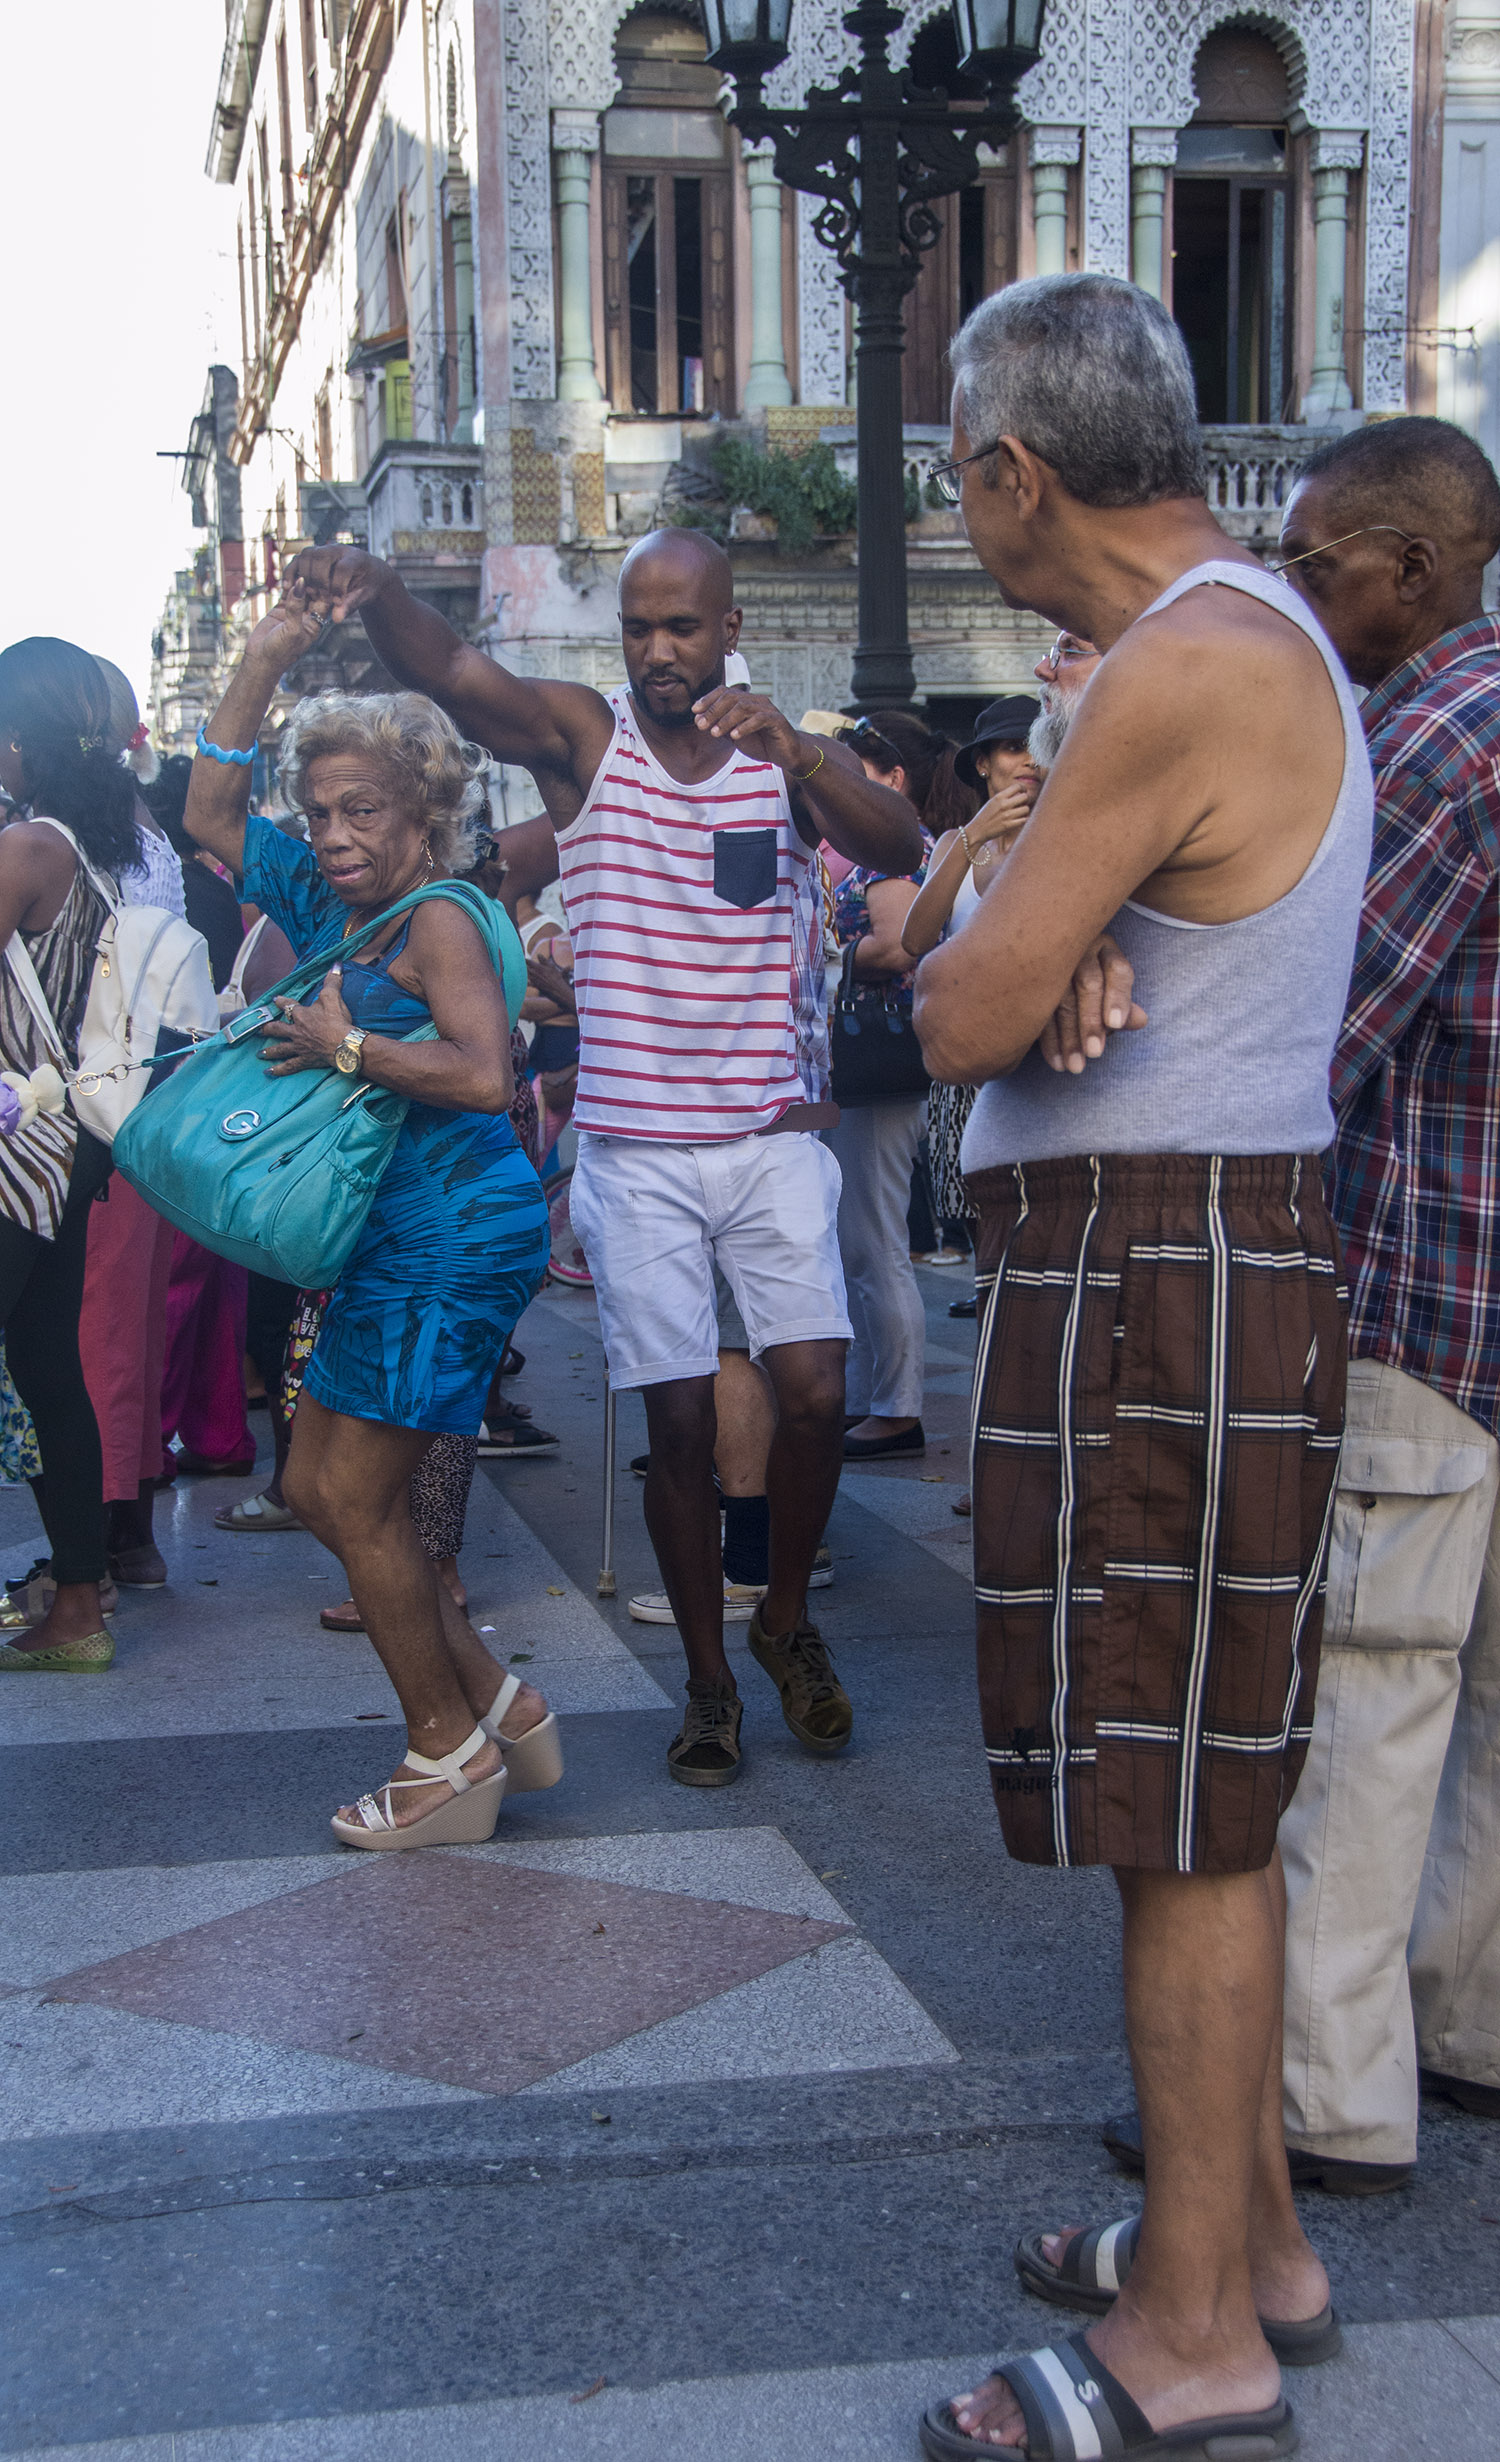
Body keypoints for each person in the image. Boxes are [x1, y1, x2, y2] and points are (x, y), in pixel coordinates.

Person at [912, 273, 1371, 2460]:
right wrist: (1047, 884)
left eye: (957, 464)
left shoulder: (1178, 664)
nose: (958, 500)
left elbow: (950, 1011)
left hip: (1163, 1275)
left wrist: (1029, 895)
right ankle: (1245, 2238)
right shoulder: (1228, 640)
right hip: (1190, 1266)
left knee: (1180, 1815)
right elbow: (1015, 955)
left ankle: (1195, 2341)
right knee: (1201, 1786)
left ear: (1014, 473)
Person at [282, 526, 922, 1787]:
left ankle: (786, 1614)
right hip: (636, 1151)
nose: (660, 651)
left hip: (772, 1136)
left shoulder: (780, 758)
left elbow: (898, 843)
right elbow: (462, 674)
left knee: (809, 1393)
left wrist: (797, 751)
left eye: (682, 626)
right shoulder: (591, 738)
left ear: (728, 626)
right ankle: (709, 1679)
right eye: (639, 627)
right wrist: (381, 595)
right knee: (678, 1421)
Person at [183, 594, 559, 1846]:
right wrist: (263, 655)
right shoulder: (345, 900)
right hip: (390, 1230)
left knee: (349, 1499)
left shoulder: (440, 915)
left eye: (365, 812)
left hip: (452, 1229)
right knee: (318, 1484)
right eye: (323, 810)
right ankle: (498, 1705)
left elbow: (484, 1075)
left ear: (422, 817)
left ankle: (446, 1753)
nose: (335, 835)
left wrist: (344, 1045)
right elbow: (210, 815)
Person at [1267, 420, 1500, 2177]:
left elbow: (1335, 1039)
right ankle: (1474, 2017)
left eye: (1320, 557)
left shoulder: (1434, 740)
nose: (1298, 584)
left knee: (1368, 1692)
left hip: (1437, 1300)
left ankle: (1328, 2093)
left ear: (1413, 571)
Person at [0, 639, 137, 1673]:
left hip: (18, 1157)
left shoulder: (26, 850)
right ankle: (80, 1602)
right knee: (48, 1368)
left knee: (49, 1369)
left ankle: (81, 1598)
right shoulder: (93, 845)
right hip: (67, 1154)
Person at [826, 710, 942, 1460]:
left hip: (881, 1062)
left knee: (873, 1239)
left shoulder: (893, 858)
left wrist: (833, 952)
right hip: (884, 1063)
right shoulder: (901, 852)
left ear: (893, 778)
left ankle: (896, 1407)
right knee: (865, 1238)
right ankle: (878, 1398)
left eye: (856, 774)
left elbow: (902, 946)